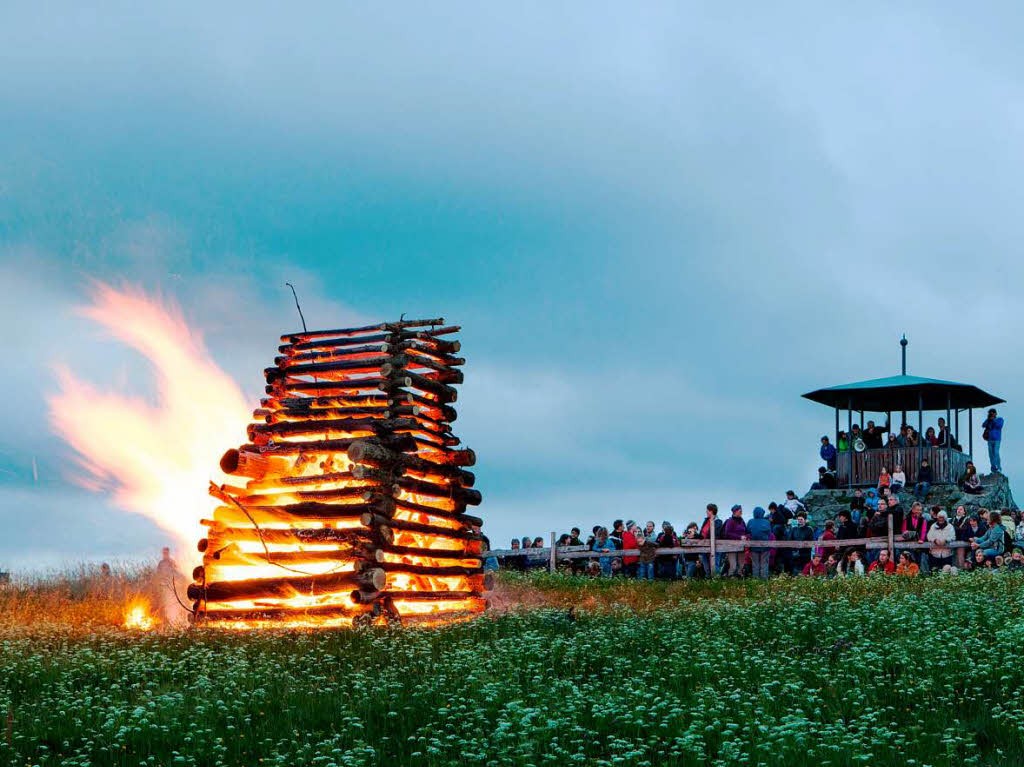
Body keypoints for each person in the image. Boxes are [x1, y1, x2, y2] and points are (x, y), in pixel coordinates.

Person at [721, 505, 748, 577]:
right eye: (740, 511)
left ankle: (739, 580)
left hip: (741, 546)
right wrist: (739, 537)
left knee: (741, 565)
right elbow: (727, 533)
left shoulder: (742, 521)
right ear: (735, 512)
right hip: (732, 546)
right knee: (733, 565)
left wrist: (746, 536)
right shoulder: (730, 521)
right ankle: (730, 579)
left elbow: (746, 531)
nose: (741, 512)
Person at [747, 506, 772, 579]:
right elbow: (769, 532)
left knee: (755, 565)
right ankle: (764, 581)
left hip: (753, 547)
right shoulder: (766, 522)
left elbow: (748, 531)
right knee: (764, 564)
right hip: (765, 547)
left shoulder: (750, 521)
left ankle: (755, 580)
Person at [699, 503, 724, 576]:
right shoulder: (706, 520)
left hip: (714, 547)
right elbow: (702, 532)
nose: (706, 512)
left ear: (712, 511)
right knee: (706, 565)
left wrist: (704, 537)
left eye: (707, 510)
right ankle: (708, 580)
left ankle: (715, 581)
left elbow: (714, 534)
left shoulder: (718, 522)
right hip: (704, 546)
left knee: (714, 565)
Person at [982, 408, 1004, 474]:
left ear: (995, 413)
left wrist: (993, 420)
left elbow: (999, 426)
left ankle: (999, 467)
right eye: (990, 413)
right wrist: (988, 420)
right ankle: (993, 469)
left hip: (997, 440)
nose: (991, 414)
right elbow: (983, 425)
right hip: (990, 440)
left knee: (996, 453)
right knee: (991, 455)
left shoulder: (1000, 419)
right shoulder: (988, 420)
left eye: (992, 413)